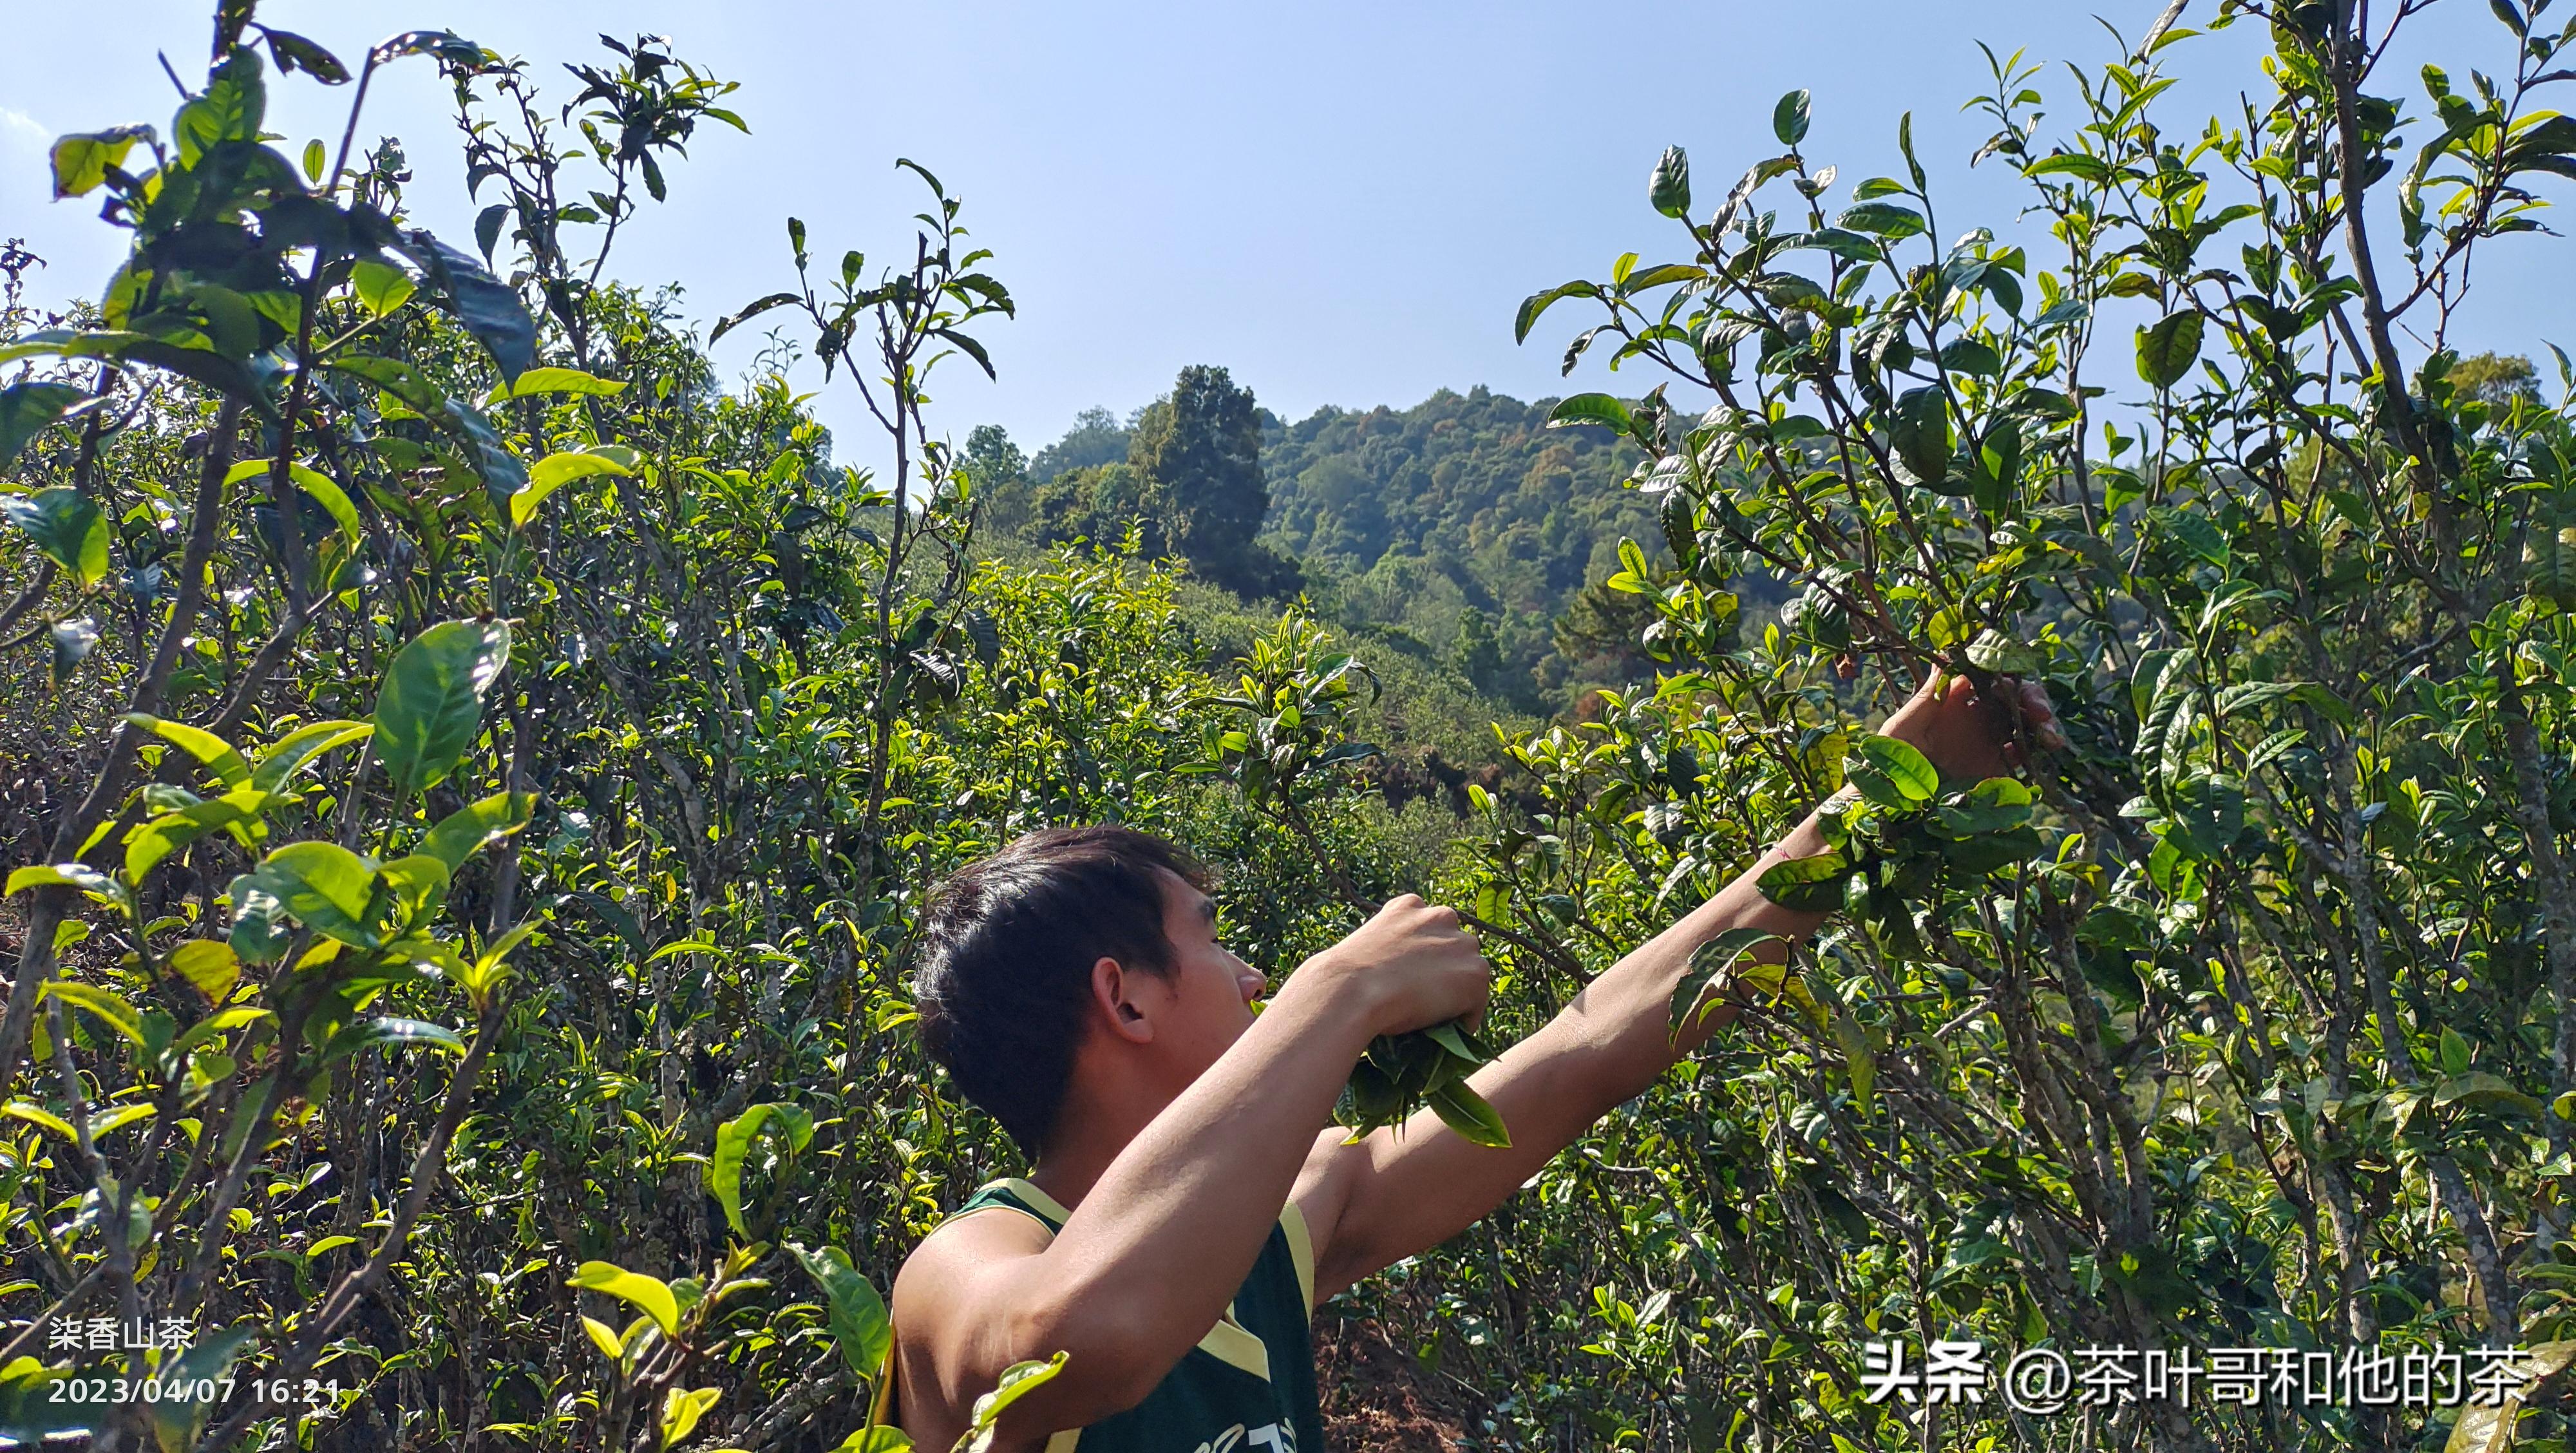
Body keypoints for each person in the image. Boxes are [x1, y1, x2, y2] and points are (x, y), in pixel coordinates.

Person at [887, 672, 2060, 1452]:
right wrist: (1338, 991)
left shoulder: (1290, 1219)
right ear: (1123, 997)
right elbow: (1076, 1339)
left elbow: (1590, 1046)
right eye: (1211, 934)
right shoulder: (965, 1267)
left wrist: (1886, 797)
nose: (1252, 971)